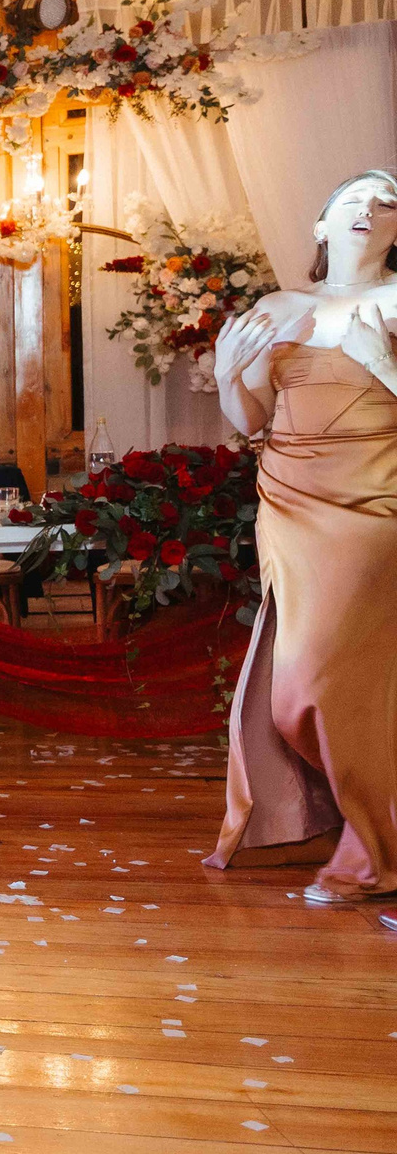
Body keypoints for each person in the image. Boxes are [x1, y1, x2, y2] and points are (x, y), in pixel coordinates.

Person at [212, 169, 397, 923]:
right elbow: (248, 416)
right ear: (320, 225)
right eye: (353, 197)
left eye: (387, 202)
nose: (371, 207)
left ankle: (373, 852)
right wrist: (228, 371)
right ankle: (375, 836)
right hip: (287, 504)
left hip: (373, 500)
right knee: (303, 695)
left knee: (314, 684)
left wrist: (380, 361)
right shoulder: (279, 307)